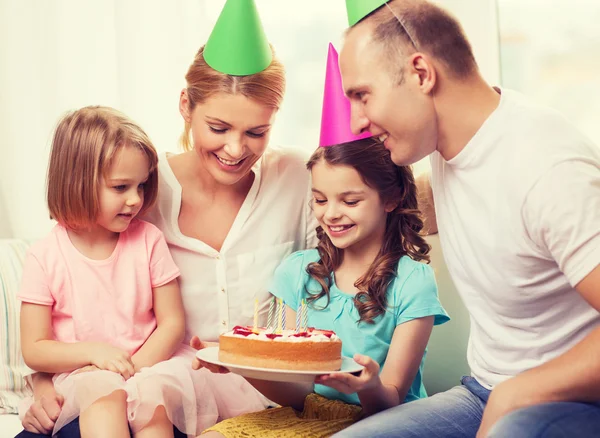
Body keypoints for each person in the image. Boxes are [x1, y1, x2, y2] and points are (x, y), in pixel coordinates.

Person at [17, 1, 316, 437]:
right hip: (139, 386)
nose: (236, 149)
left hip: (239, 394)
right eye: (219, 127)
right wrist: (46, 383)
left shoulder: (298, 178)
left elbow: (355, 246)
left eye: (256, 132)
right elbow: (61, 312)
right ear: (186, 106)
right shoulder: (141, 187)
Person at [336, 1, 600, 437]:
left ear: (421, 74)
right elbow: (403, 211)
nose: (356, 121)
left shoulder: (548, 169)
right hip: (484, 392)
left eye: (362, 95)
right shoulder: (446, 146)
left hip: (574, 402)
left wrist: (519, 393)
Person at [197, 43, 449, 438]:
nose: (330, 213)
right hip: (308, 416)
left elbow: (394, 399)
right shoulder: (298, 271)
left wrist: (367, 385)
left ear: (391, 198)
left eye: (349, 200)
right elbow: (293, 396)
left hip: (383, 422)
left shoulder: (413, 281)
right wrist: (238, 364)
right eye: (319, 199)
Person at [17, 106, 216, 437]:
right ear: (76, 182)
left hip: (149, 367)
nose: (136, 199)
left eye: (141, 185)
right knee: (104, 399)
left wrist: (135, 372)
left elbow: (172, 323)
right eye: (121, 187)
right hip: (85, 375)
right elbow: (35, 348)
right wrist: (95, 353)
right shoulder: (45, 256)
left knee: (154, 406)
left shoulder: (148, 240)